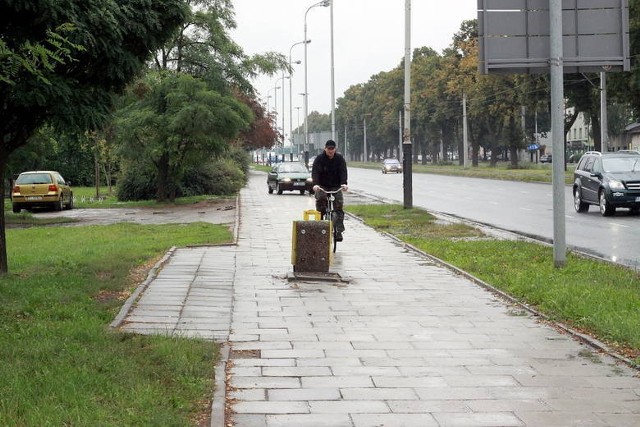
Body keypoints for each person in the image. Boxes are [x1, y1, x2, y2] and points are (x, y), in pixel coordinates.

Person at [311, 140, 348, 241]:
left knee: (339, 206)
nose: (330, 151)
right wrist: (315, 184)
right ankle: (320, 222)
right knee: (320, 199)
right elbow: (315, 173)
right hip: (322, 185)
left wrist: (344, 184)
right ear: (325, 149)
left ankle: (339, 231)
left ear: (335, 149)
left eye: (332, 149)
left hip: (336, 186)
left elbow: (343, 171)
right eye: (329, 149)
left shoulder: (340, 159)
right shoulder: (319, 159)